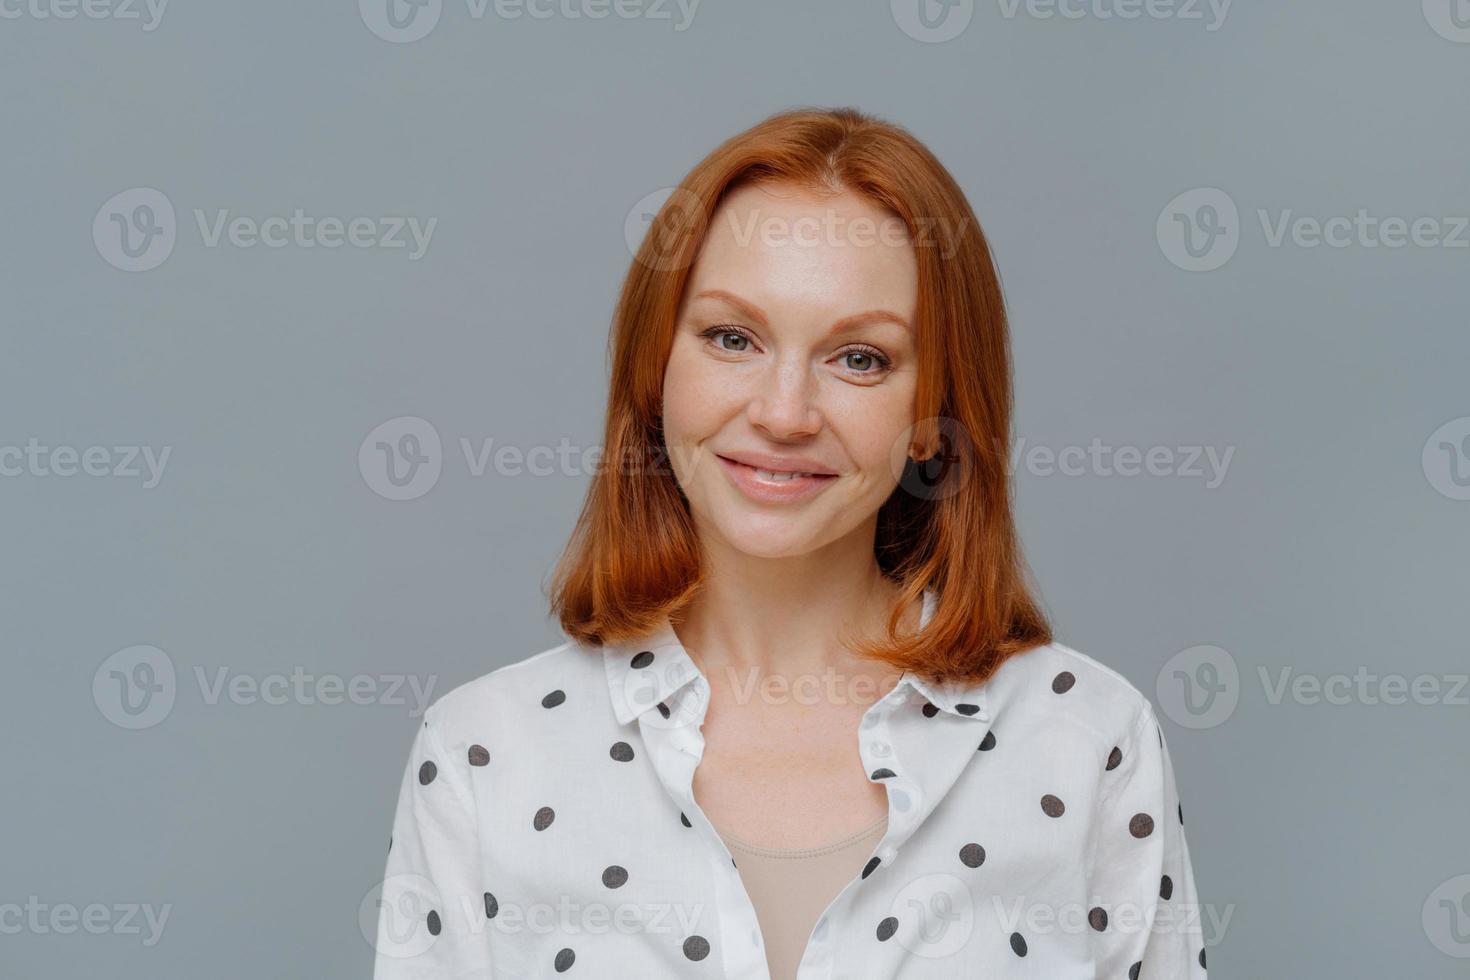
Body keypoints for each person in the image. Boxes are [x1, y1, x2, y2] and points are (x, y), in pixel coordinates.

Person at [371, 106, 1208, 978]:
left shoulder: (1086, 740)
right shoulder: (486, 754)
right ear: (655, 372)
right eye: (732, 339)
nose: (782, 414)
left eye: (860, 359)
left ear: (935, 419)